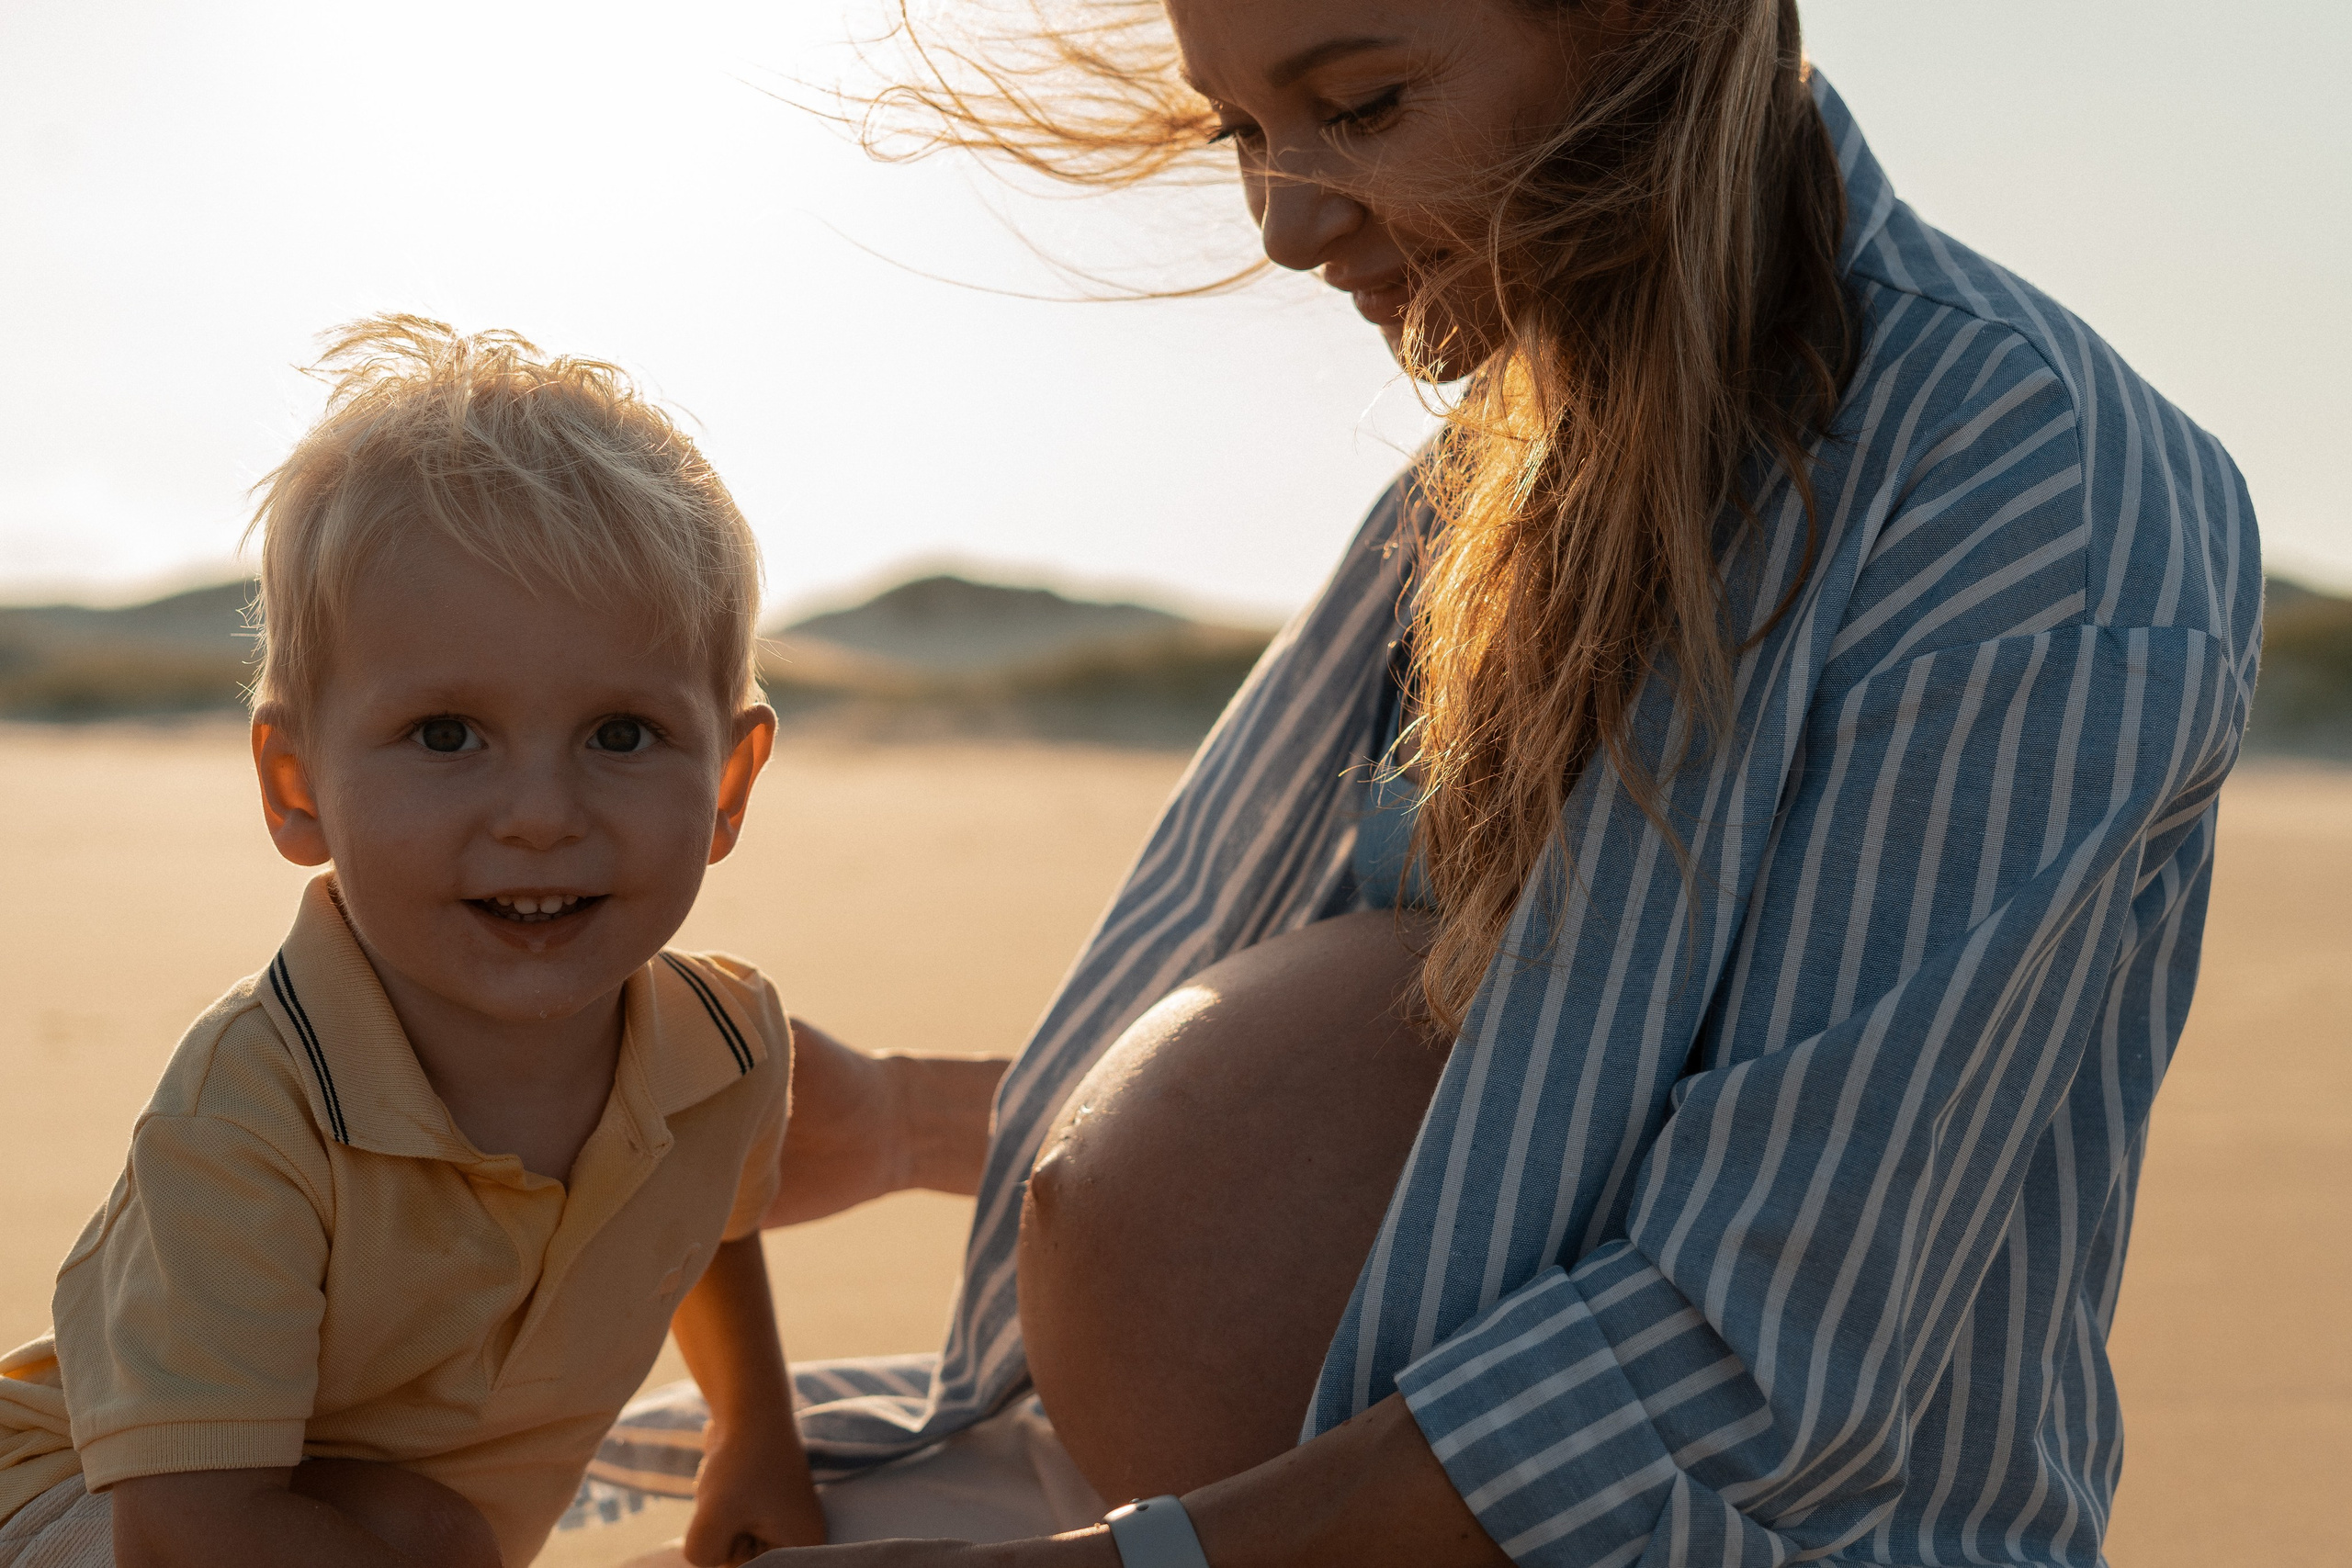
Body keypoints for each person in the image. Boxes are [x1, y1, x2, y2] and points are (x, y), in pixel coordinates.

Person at [589, 1, 2262, 1563]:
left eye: (1364, 103)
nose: (1284, 224)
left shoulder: (2028, 488)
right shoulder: (1511, 453)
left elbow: (1760, 1339)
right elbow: (1491, 1092)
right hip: (1197, 1508)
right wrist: (909, 1120)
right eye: (1240, 130)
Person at [0, 317, 831, 1567]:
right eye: (447, 735)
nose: (541, 815)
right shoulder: (250, 1114)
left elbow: (701, 1216)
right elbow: (186, 1529)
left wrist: (754, 1432)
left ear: (729, 783)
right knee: (426, 1532)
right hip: (86, 1515)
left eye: (620, 735)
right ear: (297, 785)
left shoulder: (724, 1046)